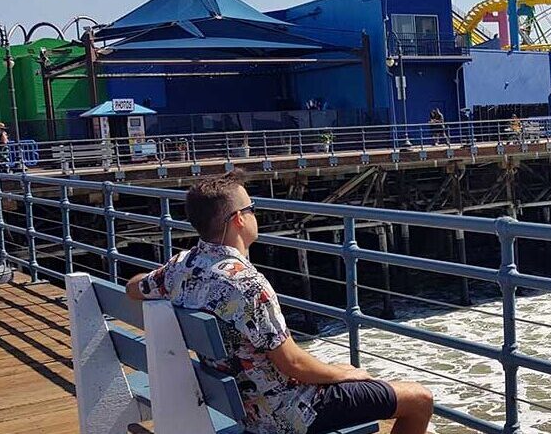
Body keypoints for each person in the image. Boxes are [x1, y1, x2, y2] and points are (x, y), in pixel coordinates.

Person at [125, 171, 433, 434]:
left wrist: (163, 274)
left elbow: (134, 286)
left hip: (239, 404)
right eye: (252, 208)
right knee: (419, 399)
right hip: (287, 414)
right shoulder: (246, 283)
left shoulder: (182, 266)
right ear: (238, 220)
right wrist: (343, 373)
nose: (254, 214)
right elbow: (294, 365)